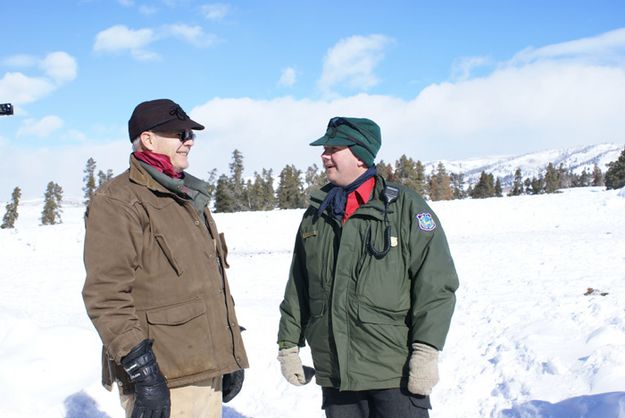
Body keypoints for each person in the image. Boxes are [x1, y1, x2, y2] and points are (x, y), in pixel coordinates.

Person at [277, 117, 459, 417]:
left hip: (392, 372)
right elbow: (298, 285)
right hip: (336, 374)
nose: (324, 155)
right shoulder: (316, 214)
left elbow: (436, 284)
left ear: (360, 156)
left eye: (334, 148)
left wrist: (426, 351)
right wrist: (288, 344)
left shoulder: (405, 208)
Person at [82, 98, 248, 418]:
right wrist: (144, 373)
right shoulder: (118, 201)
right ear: (148, 139)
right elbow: (105, 294)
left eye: (191, 134)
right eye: (180, 133)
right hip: (164, 378)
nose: (189, 140)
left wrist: (231, 353)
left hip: (202, 367)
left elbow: (204, 283)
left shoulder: (186, 196)